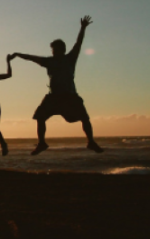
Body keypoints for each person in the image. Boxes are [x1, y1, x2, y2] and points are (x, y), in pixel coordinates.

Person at [11, 15, 104, 155]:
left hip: (69, 96)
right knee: (40, 117)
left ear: (61, 49)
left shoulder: (70, 58)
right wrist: (18, 54)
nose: (53, 52)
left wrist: (83, 28)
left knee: (84, 118)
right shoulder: (49, 61)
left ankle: (91, 141)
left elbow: (79, 43)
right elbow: (32, 58)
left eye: (54, 49)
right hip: (53, 97)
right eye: (52, 50)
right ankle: (42, 143)